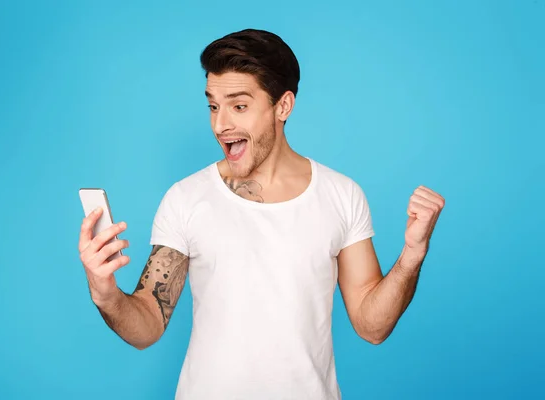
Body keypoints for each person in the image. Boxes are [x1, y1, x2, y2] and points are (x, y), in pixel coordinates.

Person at [77, 28, 445, 400]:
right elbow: (147, 326)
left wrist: (411, 257)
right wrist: (106, 294)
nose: (221, 125)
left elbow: (371, 326)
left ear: (283, 106)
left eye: (239, 106)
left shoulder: (341, 195)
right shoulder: (186, 198)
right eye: (213, 106)